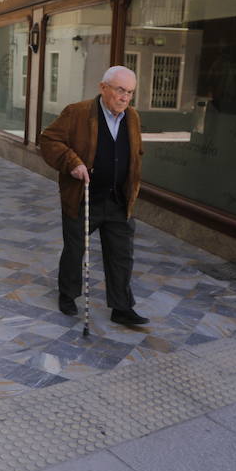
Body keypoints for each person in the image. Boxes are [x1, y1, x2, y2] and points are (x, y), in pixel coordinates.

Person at [39, 66, 148, 326]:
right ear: (103, 88)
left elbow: (135, 153)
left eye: (130, 92)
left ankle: (121, 307)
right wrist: (72, 162)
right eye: (120, 90)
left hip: (118, 200)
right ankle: (68, 295)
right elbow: (49, 140)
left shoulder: (132, 117)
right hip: (83, 196)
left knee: (122, 254)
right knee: (75, 250)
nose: (124, 97)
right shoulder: (77, 113)